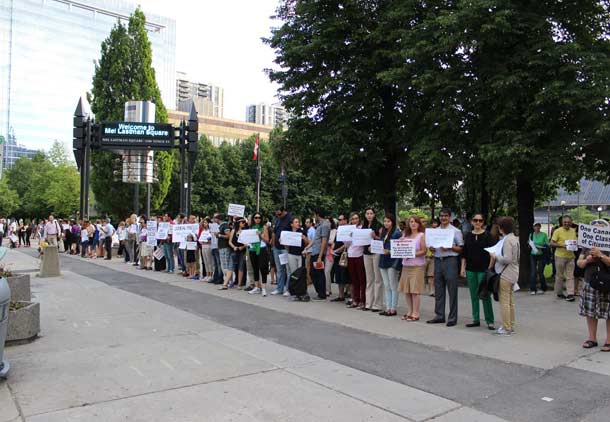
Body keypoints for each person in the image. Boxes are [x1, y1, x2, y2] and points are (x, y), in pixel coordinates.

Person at [577, 219, 610, 352]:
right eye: (595, 229)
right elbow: (579, 263)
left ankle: (609, 341)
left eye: (601, 229)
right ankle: (592, 338)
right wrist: (586, 260)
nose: (597, 231)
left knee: (609, 313)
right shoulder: (586, 246)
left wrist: (601, 255)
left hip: (607, 282)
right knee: (590, 312)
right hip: (590, 281)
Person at [427, 208, 464, 327]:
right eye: (441, 216)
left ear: (450, 217)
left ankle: (452, 317)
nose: (443, 218)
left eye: (446, 216)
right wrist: (431, 248)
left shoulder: (455, 231)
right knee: (438, 289)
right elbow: (431, 246)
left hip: (450, 260)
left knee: (452, 290)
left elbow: (461, 248)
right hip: (438, 260)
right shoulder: (434, 231)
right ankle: (439, 315)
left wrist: (450, 247)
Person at [460, 213, 495, 330]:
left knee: (485, 295)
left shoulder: (488, 235)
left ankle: (490, 321)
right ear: (471, 222)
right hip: (470, 269)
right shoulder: (468, 235)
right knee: (473, 295)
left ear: (483, 222)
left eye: (480, 220)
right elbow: (464, 254)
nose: (478, 223)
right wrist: (462, 269)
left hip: (483, 270)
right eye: (475, 220)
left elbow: (492, 254)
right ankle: (475, 319)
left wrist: (490, 268)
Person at [489, 217, 520, 336]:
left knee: (504, 302)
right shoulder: (515, 239)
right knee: (510, 302)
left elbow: (507, 259)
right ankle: (510, 325)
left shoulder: (507, 240)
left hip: (506, 274)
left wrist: (495, 255)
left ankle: (507, 327)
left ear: (501, 228)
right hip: (514, 272)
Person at [399, 216, 427, 321]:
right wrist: (399, 242)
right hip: (406, 265)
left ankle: (416, 313)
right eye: (411, 222)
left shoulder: (421, 235)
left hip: (417, 266)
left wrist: (413, 254)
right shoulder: (405, 235)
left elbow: (424, 251)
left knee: (415, 291)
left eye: (415, 222)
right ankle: (409, 311)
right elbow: (399, 249)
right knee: (407, 290)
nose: (413, 223)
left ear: (419, 224)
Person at [304, 208, 330, 300]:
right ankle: (319, 292)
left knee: (319, 273)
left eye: (314, 215)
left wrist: (320, 256)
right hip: (314, 252)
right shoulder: (319, 225)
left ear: (317, 215)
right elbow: (315, 239)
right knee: (312, 272)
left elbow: (324, 241)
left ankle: (322, 293)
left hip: (319, 253)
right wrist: (307, 247)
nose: (314, 217)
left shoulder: (325, 225)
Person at [378, 213, 402, 316]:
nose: (386, 223)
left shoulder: (397, 233)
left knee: (393, 285)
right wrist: (374, 247)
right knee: (387, 286)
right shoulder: (383, 232)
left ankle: (393, 308)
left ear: (393, 222)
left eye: (388, 221)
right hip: (383, 260)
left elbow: (399, 248)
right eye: (385, 221)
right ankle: (388, 307)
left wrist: (390, 251)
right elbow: (380, 245)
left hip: (393, 261)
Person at [362, 207, 384, 312]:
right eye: (367, 213)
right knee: (369, 279)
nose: (369, 215)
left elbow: (382, 239)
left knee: (377, 279)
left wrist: (375, 236)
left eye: (371, 213)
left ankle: (377, 304)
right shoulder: (364, 226)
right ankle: (368, 303)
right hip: (366, 253)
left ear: (374, 215)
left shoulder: (379, 225)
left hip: (376, 253)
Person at [551, 215, 577, 302]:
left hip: (571, 256)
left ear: (571, 222)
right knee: (560, 275)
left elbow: (575, 241)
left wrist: (575, 245)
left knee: (570, 276)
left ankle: (570, 294)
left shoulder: (573, 231)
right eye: (565, 222)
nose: (567, 223)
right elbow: (552, 243)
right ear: (562, 222)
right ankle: (559, 292)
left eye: (568, 222)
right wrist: (562, 245)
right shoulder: (557, 231)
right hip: (560, 256)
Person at [247, 213, 272, 296]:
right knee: (255, 268)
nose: (257, 219)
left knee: (262, 268)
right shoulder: (251, 228)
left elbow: (267, 240)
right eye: (255, 217)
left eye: (259, 217)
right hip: (252, 249)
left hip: (261, 249)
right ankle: (257, 287)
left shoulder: (264, 227)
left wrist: (260, 235)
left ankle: (264, 288)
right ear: (253, 219)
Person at [284, 217, 309, 296]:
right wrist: (284, 242)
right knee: (293, 273)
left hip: (300, 255)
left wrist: (304, 239)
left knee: (301, 273)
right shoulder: (288, 233)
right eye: (296, 222)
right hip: (291, 254)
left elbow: (307, 244)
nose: (298, 223)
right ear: (292, 224)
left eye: (298, 222)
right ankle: (292, 290)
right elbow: (287, 248)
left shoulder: (302, 232)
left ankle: (302, 290)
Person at [346, 212, 366, 309]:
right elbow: (346, 243)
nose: (355, 220)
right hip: (350, 255)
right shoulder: (348, 229)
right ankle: (355, 299)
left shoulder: (362, 228)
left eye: (356, 218)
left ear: (359, 219)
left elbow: (364, 241)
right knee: (354, 280)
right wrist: (348, 236)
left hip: (360, 255)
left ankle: (363, 300)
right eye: (353, 219)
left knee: (361, 279)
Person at [271, 206, 293, 295]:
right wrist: (273, 244)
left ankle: (287, 289)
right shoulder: (278, 219)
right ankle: (279, 288)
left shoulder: (290, 218)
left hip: (285, 248)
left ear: (284, 211)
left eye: (279, 214)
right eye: (276, 214)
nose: (278, 215)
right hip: (277, 247)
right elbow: (274, 232)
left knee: (288, 269)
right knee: (279, 269)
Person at [330, 213, 350, 302]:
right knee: (338, 276)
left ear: (346, 220)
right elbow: (335, 241)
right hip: (337, 256)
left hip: (345, 255)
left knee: (346, 276)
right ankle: (340, 295)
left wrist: (336, 251)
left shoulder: (349, 229)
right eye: (339, 219)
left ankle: (350, 295)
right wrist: (332, 250)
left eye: (341, 219)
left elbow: (346, 244)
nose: (340, 221)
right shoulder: (339, 229)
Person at [529, 223, 550, 295]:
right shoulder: (531, 234)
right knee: (533, 272)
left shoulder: (544, 235)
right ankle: (533, 289)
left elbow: (547, 244)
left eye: (538, 227)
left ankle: (543, 288)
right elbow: (530, 243)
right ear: (533, 227)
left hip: (541, 254)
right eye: (535, 227)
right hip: (533, 254)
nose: (537, 228)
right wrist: (529, 244)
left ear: (540, 228)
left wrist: (541, 246)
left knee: (540, 272)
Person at [228, 218, 247, 288]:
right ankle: (226, 283)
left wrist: (243, 247)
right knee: (231, 267)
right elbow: (229, 241)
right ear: (239, 223)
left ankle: (239, 284)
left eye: (245, 222)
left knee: (241, 267)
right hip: (234, 251)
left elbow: (247, 243)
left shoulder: (245, 231)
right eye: (243, 222)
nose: (244, 223)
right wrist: (234, 247)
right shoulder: (233, 231)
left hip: (242, 251)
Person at [425, 218, 440, 296]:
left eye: (436, 225)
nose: (435, 226)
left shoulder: (440, 235)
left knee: (431, 276)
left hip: (433, 257)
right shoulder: (425, 234)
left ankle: (431, 291)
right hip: (424, 257)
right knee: (421, 274)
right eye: (433, 224)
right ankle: (419, 289)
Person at [198, 218, 214, 282]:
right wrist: (201, 241)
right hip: (203, 246)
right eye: (204, 223)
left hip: (208, 246)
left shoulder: (210, 231)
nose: (204, 224)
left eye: (206, 222)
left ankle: (211, 275)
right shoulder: (203, 231)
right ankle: (207, 275)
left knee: (209, 261)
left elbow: (211, 240)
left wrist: (207, 241)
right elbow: (200, 238)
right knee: (205, 261)